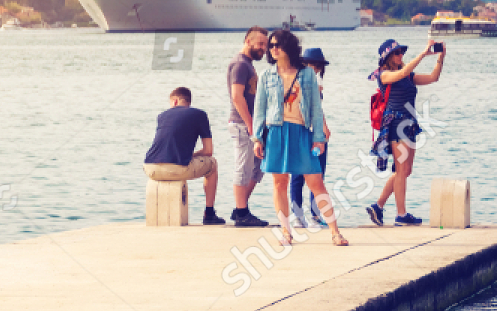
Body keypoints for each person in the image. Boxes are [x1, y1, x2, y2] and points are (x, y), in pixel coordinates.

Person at [253, 28, 347, 247]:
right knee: (279, 183)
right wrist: (257, 138)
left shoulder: (307, 74)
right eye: (271, 45)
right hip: (275, 132)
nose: (273, 49)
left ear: (288, 47)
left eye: (277, 45)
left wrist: (319, 137)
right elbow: (260, 109)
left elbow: (315, 108)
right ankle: (286, 231)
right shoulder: (266, 76)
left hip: (301, 132)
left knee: (316, 182)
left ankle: (335, 232)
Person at [366, 37, 445, 227]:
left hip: (409, 124)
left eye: (401, 52)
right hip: (395, 123)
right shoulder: (383, 75)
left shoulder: (408, 76)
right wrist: (423, 53)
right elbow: (402, 72)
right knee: (401, 170)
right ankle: (401, 215)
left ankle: (378, 206)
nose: (400, 55)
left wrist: (440, 57)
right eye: (396, 53)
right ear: (387, 57)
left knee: (406, 170)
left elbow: (433, 77)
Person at [143, 87, 223, 224]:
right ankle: (209, 214)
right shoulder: (200, 114)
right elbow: (208, 151)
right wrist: (191, 155)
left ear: (174, 101)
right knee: (212, 164)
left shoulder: (162, 116)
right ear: (188, 102)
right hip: (176, 168)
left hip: (150, 168)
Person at [227, 26, 270, 228]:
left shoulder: (248, 64)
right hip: (242, 124)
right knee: (243, 167)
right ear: (248, 41)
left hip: (252, 125)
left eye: (265, 45)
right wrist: (251, 126)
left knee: (258, 167)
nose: (263, 48)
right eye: (260, 44)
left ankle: (240, 209)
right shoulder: (240, 64)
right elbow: (237, 97)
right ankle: (242, 213)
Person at [289, 47, 331, 228]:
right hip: (300, 134)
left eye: (318, 66)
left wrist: (324, 127)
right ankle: (298, 216)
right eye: (311, 65)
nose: (315, 69)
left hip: (316, 135)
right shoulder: (295, 82)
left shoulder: (316, 83)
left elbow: (317, 110)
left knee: (317, 175)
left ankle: (314, 215)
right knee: (298, 176)